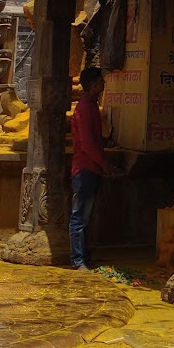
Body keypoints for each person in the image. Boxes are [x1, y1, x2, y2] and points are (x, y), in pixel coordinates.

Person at [69, 66, 108, 271]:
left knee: (86, 215)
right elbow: (87, 144)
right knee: (80, 215)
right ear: (92, 85)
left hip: (91, 167)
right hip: (85, 168)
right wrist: (104, 163)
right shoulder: (84, 108)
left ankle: (84, 256)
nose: (103, 84)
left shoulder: (91, 106)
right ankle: (77, 259)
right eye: (100, 81)